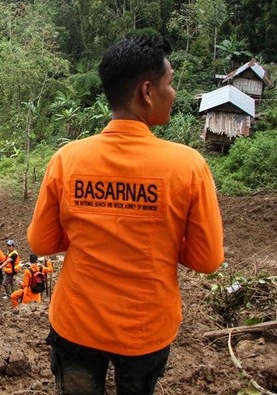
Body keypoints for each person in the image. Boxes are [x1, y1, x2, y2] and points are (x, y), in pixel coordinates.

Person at [27, 36, 224, 394]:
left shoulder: (67, 159)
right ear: (147, 92)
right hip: (144, 329)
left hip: (76, 323)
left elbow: (41, 242)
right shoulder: (188, 166)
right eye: (170, 83)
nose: (174, 92)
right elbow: (207, 259)